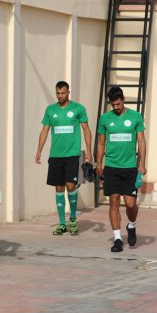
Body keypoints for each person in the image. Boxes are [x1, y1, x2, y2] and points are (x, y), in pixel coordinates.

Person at [34, 81, 92, 236]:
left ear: (68, 92)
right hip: (56, 155)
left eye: (63, 93)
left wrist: (89, 152)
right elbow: (45, 131)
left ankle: (72, 219)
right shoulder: (50, 110)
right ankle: (61, 223)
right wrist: (39, 150)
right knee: (58, 188)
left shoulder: (78, 109)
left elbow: (86, 130)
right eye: (58, 93)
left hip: (72, 154)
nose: (60, 96)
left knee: (71, 186)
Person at [96, 86, 146, 253]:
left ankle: (131, 225)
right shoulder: (105, 119)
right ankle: (117, 238)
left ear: (123, 100)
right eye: (113, 105)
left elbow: (141, 142)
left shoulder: (135, 117)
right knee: (114, 201)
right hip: (111, 167)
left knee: (130, 204)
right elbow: (101, 143)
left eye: (118, 104)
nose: (116, 107)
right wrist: (99, 163)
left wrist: (142, 163)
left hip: (130, 167)